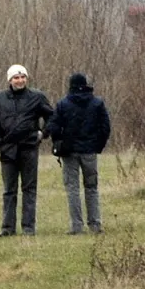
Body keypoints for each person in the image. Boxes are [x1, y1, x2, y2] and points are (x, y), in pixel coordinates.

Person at [0, 64, 52, 236]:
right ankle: (7, 228)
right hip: (8, 149)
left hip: (29, 148)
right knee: (9, 190)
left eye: (23, 77)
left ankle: (28, 228)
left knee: (29, 189)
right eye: (16, 77)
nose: (20, 80)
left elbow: (52, 116)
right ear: (10, 80)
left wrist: (43, 134)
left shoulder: (37, 97)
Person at [47, 72, 111, 235]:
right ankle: (95, 224)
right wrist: (98, 146)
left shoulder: (63, 104)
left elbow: (53, 126)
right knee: (91, 188)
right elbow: (105, 128)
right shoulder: (97, 103)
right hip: (90, 151)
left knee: (73, 188)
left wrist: (59, 142)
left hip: (69, 152)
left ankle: (77, 226)